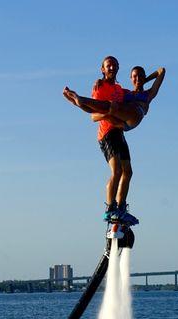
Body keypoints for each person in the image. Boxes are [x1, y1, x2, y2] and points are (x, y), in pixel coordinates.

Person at [62, 56, 165, 223]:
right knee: (116, 170)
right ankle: (110, 209)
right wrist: (99, 85)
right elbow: (95, 115)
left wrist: (146, 79)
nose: (137, 79)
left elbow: (161, 71)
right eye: (134, 76)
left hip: (123, 128)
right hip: (111, 131)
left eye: (140, 76)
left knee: (128, 172)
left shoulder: (139, 93)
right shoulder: (124, 93)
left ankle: (121, 207)